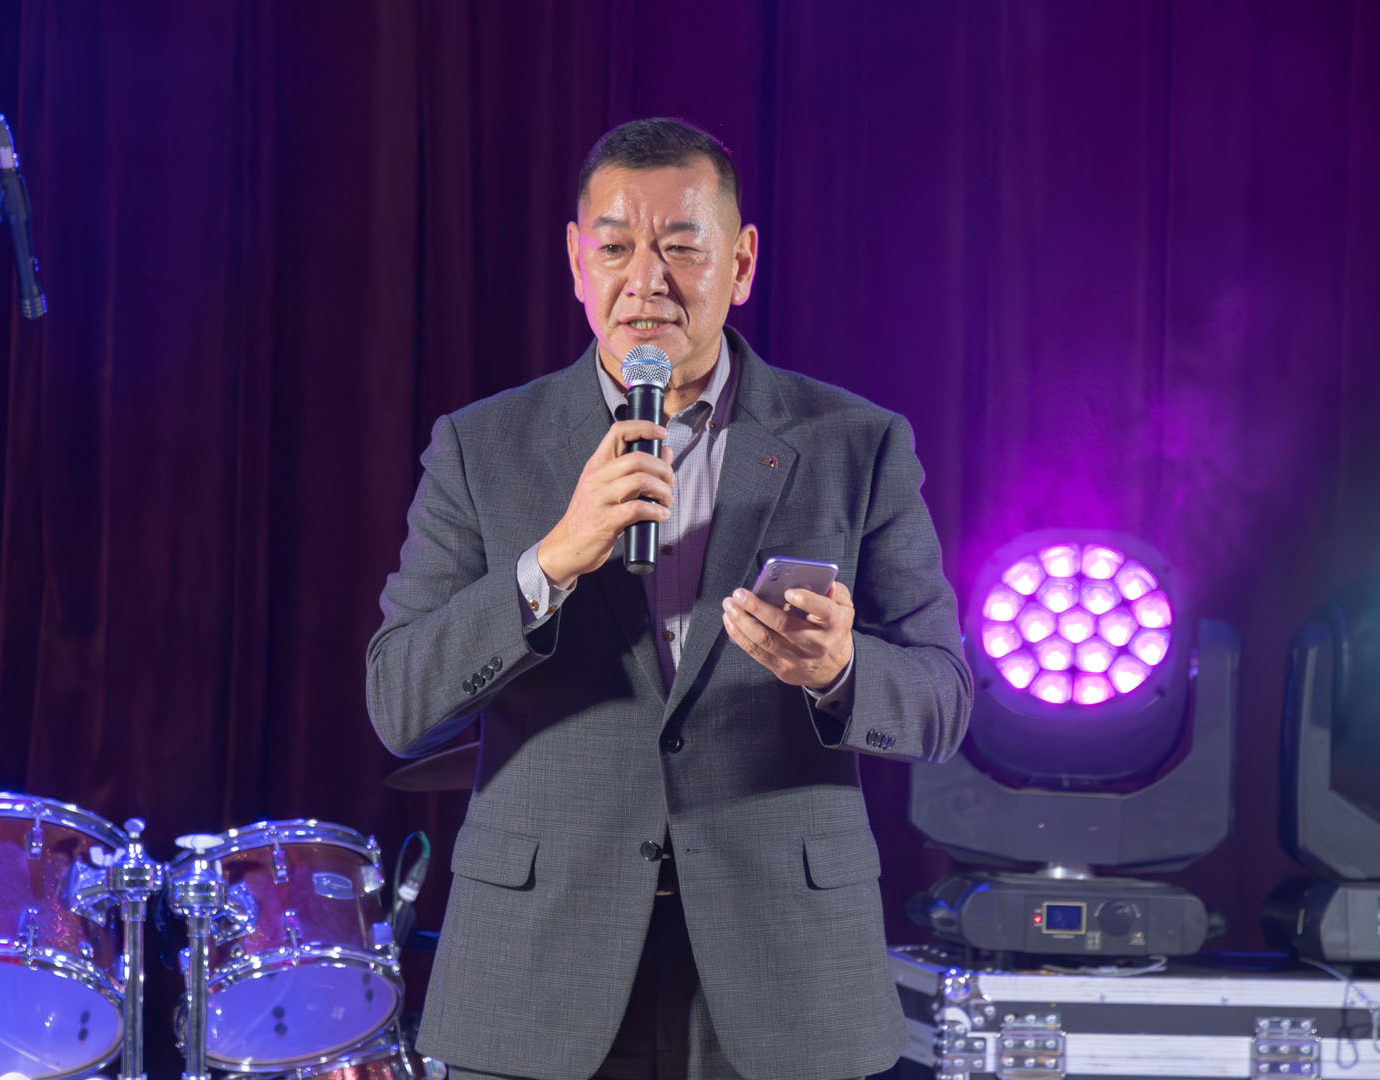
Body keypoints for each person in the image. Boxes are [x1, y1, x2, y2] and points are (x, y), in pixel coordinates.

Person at [367, 117, 971, 1080]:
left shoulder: (856, 443)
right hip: (537, 970)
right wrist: (549, 563)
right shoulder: (481, 447)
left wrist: (842, 670)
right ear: (577, 262)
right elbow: (399, 702)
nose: (645, 281)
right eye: (615, 248)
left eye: (682, 247)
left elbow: (944, 701)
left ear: (742, 263)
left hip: (786, 972)